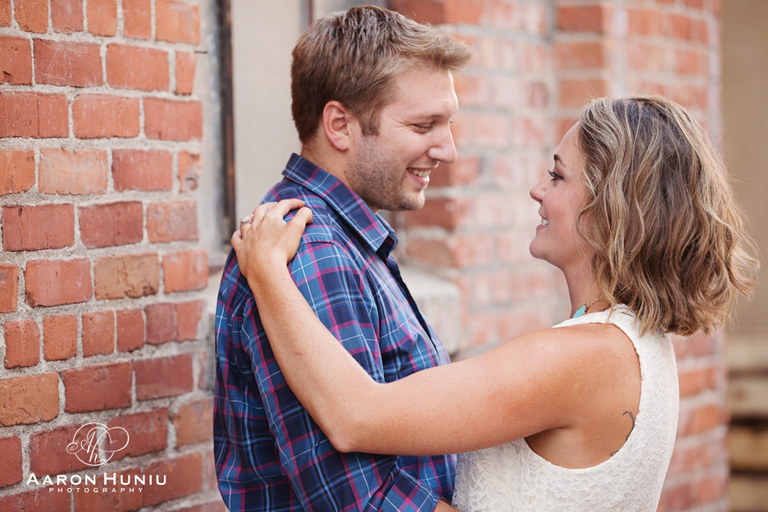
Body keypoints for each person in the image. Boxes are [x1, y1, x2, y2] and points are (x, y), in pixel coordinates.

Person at [232, 96, 759, 511]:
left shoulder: (581, 357)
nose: (536, 190)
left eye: (556, 176)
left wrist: (267, 273)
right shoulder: (636, 344)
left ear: (612, 208)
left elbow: (354, 418)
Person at [214, 5, 472, 511]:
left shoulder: (344, 240)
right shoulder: (310, 253)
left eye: (448, 124)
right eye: (424, 125)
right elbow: (363, 502)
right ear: (339, 125)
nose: (448, 150)